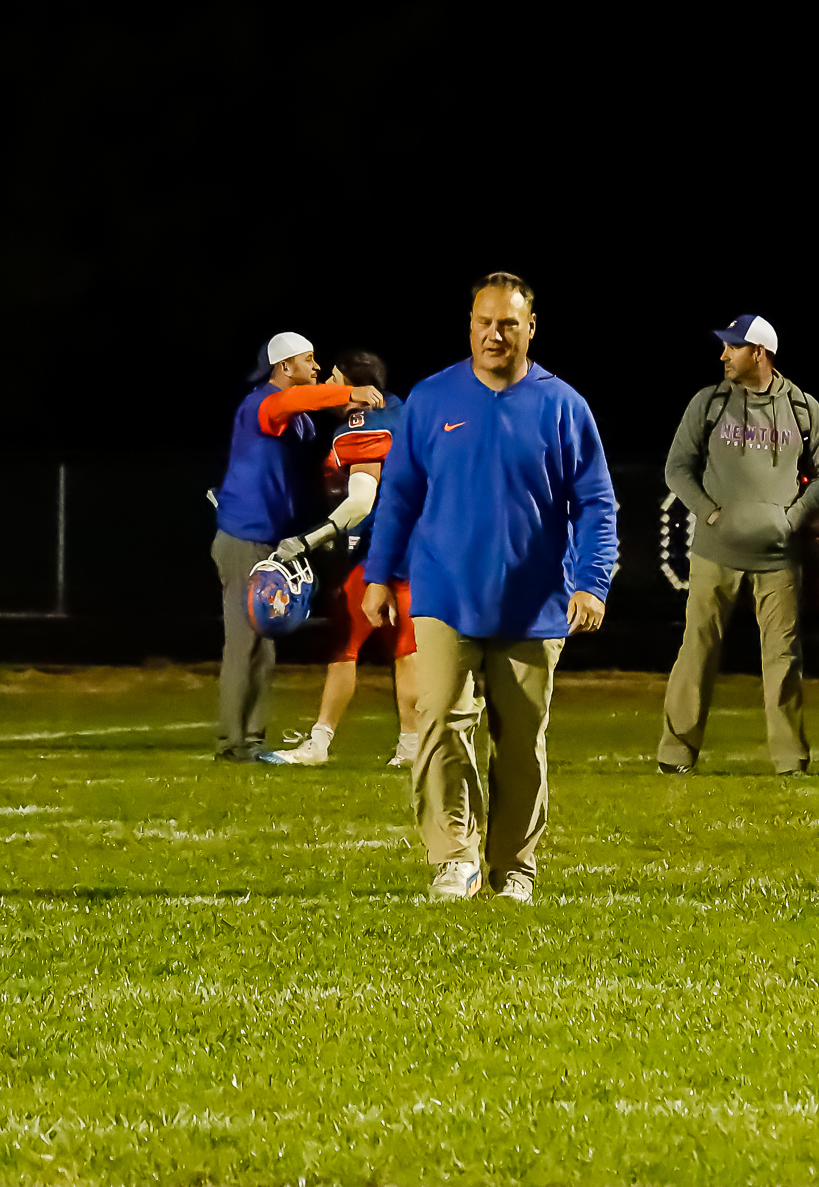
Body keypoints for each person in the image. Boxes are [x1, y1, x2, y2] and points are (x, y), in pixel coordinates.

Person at [361, 273, 618, 903]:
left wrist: (591, 582)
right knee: (440, 725)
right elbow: (399, 496)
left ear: (531, 328)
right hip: (444, 596)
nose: (494, 335)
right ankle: (455, 858)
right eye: (483, 322)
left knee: (522, 744)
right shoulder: (431, 399)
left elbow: (596, 504)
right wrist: (378, 575)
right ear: (470, 326)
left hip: (534, 605)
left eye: (507, 323)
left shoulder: (564, 407)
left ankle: (513, 869)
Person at [657, 315, 819, 775]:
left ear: (759, 352)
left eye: (733, 347)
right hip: (714, 554)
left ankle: (790, 762)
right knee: (697, 652)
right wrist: (711, 513)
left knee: (783, 659)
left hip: (778, 558)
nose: (723, 355)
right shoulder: (708, 403)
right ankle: (675, 756)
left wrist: (791, 520)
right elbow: (676, 468)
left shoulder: (803, 408)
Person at [209, 332, 378, 762]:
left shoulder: (300, 420)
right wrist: (351, 391)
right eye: (309, 359)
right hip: (244, 536)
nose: (316, 367)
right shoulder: (263, 403)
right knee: (244, 642)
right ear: (285, 367)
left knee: (265, 645)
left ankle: (251, 738)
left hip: (272, 541)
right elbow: (291, 401)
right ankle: (233, 743)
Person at [260, 348, 421, 769]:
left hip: (380, 549)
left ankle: (320, 741)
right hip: (417, 546)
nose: (327, 386)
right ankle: (411, 744)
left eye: (334, 377)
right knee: (405, 647)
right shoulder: (399, 411)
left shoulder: (360, 424)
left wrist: (308, 541)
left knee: (344, 644)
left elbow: (361, 501)